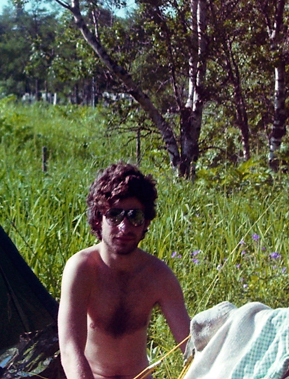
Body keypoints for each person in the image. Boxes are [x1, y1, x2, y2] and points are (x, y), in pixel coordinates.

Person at [58, 162, 190, 379]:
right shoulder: (81, 269)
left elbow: (190, 346)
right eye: (115, 215)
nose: (124, 227)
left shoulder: (158, 276)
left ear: (146, 221)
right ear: (99, 218)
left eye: (135, 216)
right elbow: (69, 350)